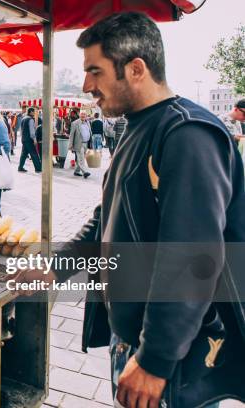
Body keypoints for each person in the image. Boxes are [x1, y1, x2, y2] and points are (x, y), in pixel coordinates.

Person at [18, 12, 245, 408]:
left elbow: (194, 257)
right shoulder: (138, 125)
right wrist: (56, 266)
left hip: (179, 357)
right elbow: (107, 216)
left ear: (136, 68)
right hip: (134, 340)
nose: (87, 85)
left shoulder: (187, 134)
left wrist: (155, 360)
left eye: (95, 71)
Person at [68, 111, 92, 178]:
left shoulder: (88, 122)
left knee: (81, 158)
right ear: (79, 115)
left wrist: (90, 142)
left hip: (86, 143)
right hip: (78, 144)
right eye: (81, 114)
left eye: (84, 114)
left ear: (86, 115)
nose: (83, 116)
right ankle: (85, 172)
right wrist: (70, 145)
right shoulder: (75, 123)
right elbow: (71, 135)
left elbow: (90, 132)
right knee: (81, 158)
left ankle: (76, 171)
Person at [18, 107, 42, 173]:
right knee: (34, 153)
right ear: (31, 112)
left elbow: (21, 130)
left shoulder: (24, 118)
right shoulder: (30, 120)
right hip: (29, 139)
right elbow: (32, 131)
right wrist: (34, 139)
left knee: (24, 154)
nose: (35, 113)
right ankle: (38, 168)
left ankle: (20, 167)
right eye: (34, 111)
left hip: (24, 139)